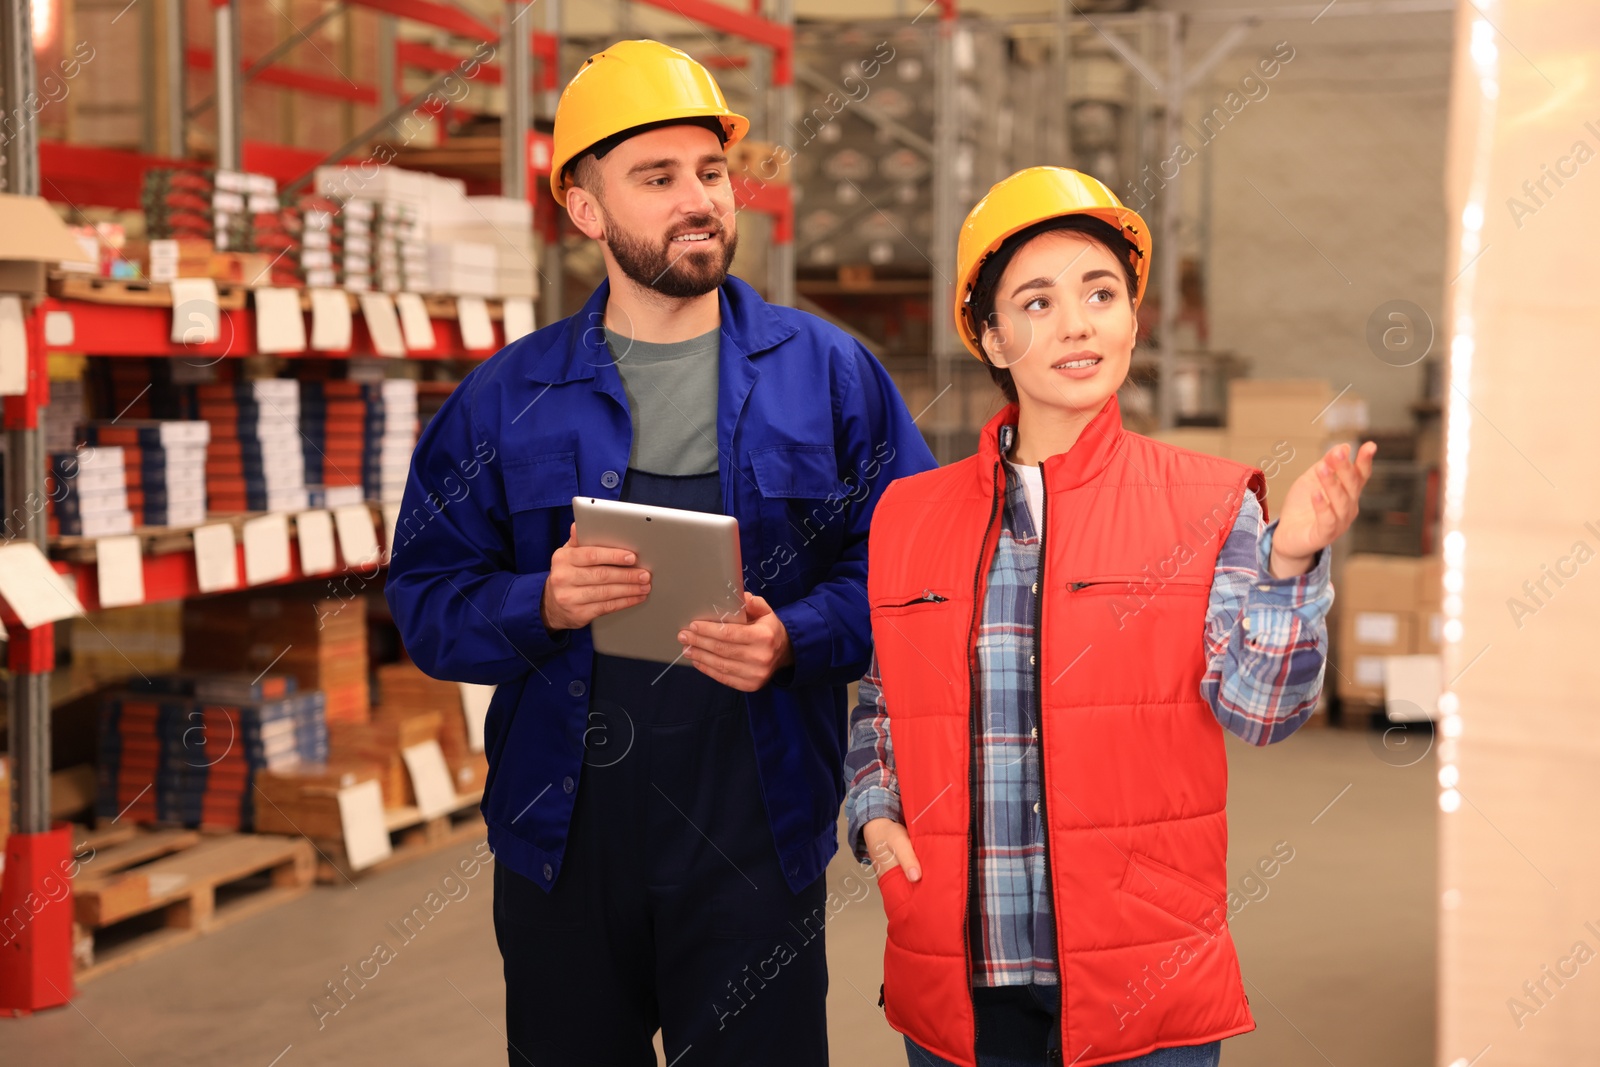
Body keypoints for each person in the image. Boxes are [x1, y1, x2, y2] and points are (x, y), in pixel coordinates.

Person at [385, 40, 936, 1067]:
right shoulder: (507, 398)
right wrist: (538, 601)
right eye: (657, 176)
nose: (700, 200)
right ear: (586, 209)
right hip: (564, 842)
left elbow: (920, 577)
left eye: (711, 172)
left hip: (754, 834)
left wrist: (799, 635)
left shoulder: (829, 374)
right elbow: (425, 598)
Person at [844, 167, 1376, 1067]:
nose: (1077, 324)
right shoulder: (910, 515)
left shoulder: (1207, 504)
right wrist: (874, 812)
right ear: (990, 334)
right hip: (958, 969)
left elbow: (1264, 710)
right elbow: (879, 694)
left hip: (1143, 974)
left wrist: (1290, 562)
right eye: (1037, 302)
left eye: (1101, 293)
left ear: (1134, 318)